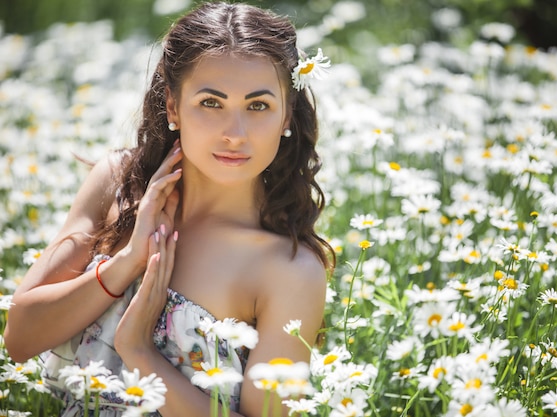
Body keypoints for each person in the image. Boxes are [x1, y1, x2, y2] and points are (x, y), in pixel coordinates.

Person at [4, 2, 334, 416]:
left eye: (258, 106)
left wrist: (139, 351)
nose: (235, 134)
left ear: (287, 114)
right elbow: (18, 339)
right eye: (211, 103)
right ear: (173, 107)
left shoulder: (289, 270)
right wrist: (126, 262)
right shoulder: (117, 185)